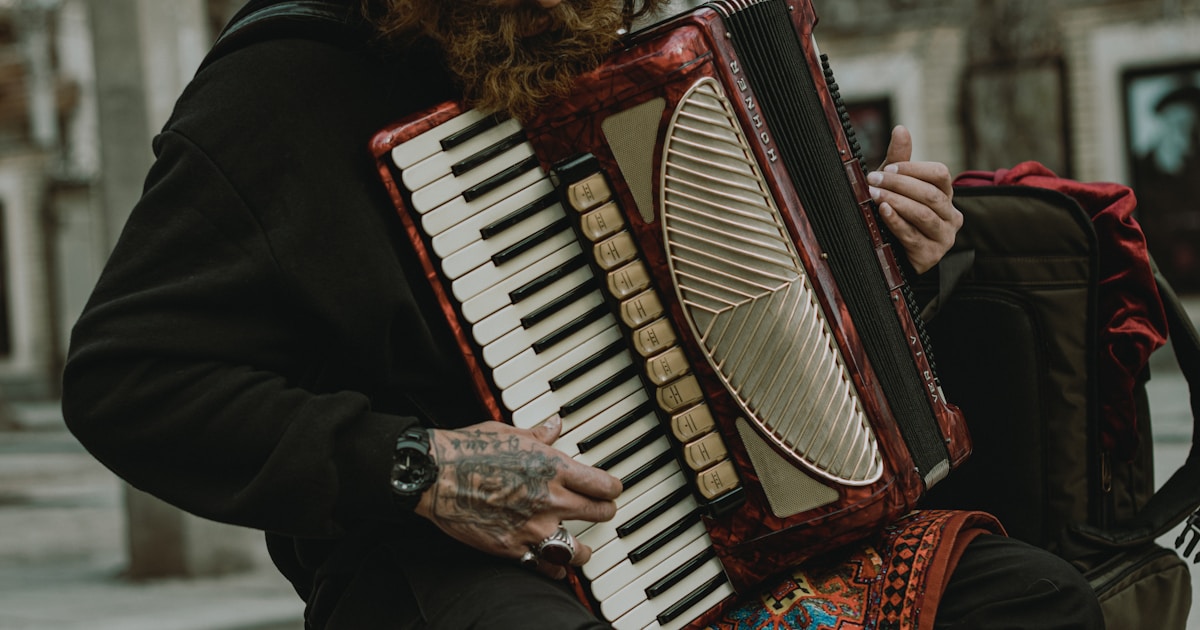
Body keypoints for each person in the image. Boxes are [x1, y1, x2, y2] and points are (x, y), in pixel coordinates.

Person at [61, 0, 1104, 628]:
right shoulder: (284, 84)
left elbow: (739, 319)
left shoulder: (640, 43)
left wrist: (891, 260)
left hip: (727, 521)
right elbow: (129, 377)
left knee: (1029, 602)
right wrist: (419, 466)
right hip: (442, 563)